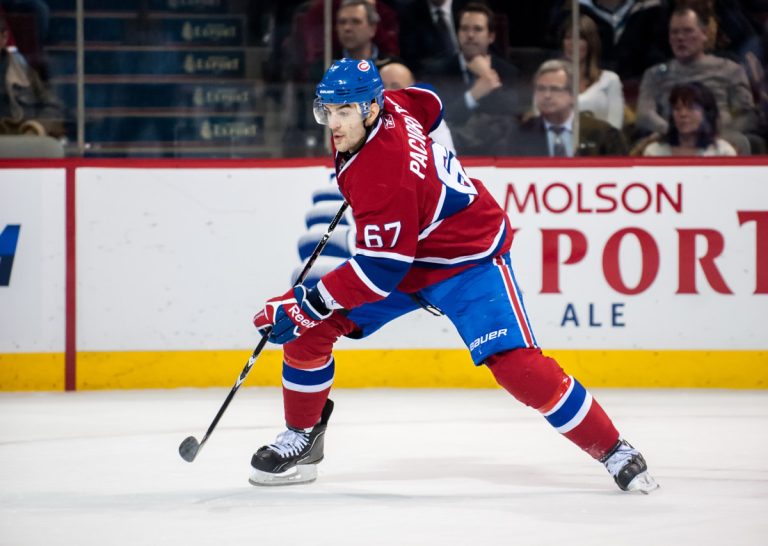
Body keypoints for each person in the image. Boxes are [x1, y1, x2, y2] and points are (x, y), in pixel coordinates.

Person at [249, 58, 658, 494]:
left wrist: (305, 302)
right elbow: (430, 103)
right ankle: (303, 437)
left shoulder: (387, 174)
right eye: (327, 110)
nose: (334, 122)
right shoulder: (395, 104)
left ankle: (614, 449)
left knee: (516, 366)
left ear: (371, 108)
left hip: (466, 260)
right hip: (407, 252)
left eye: (344, 110)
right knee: (309, 333)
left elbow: (378, 272)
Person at [635, 7, 759, 154]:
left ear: (704, 34)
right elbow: (644, 114)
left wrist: (713, 131)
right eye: (674, 32)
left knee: (741, 142)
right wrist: (675, 129)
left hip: (721, 135)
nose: (680, 37)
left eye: (688, 31)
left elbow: (747, 114)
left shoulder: (730, 70)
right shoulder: (654, 74)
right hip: (669, 136)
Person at [422, 2, 521, 155]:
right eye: (464, 28)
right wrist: (473, 95)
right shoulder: (439, 70)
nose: (470, 35)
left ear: (491, 36)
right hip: (451, 150)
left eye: (478, 29)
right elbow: (440, 116)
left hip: (496, 151)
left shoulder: (507, 71)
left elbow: (511, 110)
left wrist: (487, 75)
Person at [497, 59, 628, 156]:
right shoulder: (521, 135)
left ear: (572, 94)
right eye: (541, 89)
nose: (547, 96)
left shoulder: (603, 133)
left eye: (555, 89)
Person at [0, 15, 64, 137]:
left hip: (20, 143)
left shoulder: (24, 71)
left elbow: (54, 107)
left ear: (4, 37)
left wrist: (35, 128)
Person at [639, 81, 737, 155]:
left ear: (707, 113)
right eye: (677, 109)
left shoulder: (722, 152)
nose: (683, 114)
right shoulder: (655, 152)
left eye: (691, 108)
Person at [562, 15, 625, 129]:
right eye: (568, 38)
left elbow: (615, 127)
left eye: (579, 38)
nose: (572, 43)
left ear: (591, 43)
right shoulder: (551, 81)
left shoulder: (610, 80)